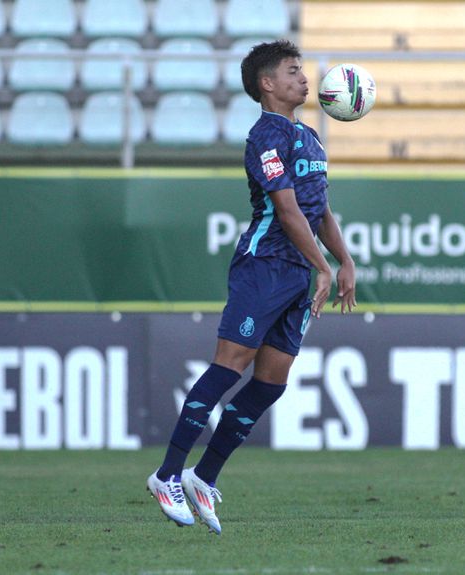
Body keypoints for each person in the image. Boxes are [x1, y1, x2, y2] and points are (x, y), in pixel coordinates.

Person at [146, 39, 357, 534]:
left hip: (297, 274)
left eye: (302, 70)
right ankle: (168, 473)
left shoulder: (311, 137)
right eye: (292, 71)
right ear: (267, 84)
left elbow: (318, 209)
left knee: (271, 382)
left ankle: (204, 476)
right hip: (263, 265)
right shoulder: (264, 136)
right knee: (229, 366)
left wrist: (343, 259)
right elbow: (285, 210)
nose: (305, 79)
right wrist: (323, 267)